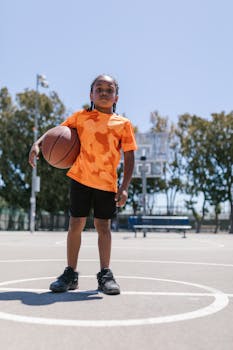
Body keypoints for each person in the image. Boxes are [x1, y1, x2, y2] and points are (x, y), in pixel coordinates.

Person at [29, 74, 137, 295]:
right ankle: (70, 273)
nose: (104, 93)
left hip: (106, 183)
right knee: (75, 224)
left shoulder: (123, 124)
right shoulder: (80, 117)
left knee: (103, 227)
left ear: (116, 97)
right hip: (80, 178)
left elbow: (130, 156)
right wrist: (37, 143)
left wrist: (124, 186)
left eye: (109, 89)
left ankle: (105, 274)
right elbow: (55, 134)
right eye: (99, 89)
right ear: (91, 94)